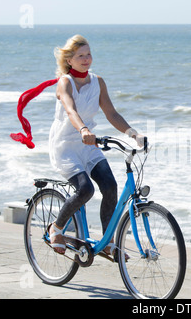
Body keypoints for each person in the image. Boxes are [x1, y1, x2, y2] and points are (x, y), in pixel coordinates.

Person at [47, 34, 145, 258]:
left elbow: (111, 112)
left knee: (110, 186)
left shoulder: (97, 81)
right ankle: (57, 228)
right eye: (81, 55)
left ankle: (107, 242)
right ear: (69, 60)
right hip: (67, 146)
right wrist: (83, 129)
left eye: (89, 54)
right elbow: (71, 110)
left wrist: (132, 133)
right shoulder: (65, 82)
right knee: (85, 190)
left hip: (89, 144)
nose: (86, 59)